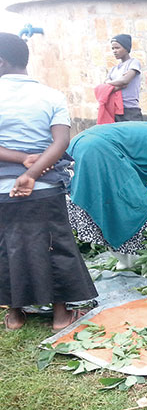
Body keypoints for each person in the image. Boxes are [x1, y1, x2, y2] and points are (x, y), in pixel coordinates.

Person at [0, 33, 97, 330]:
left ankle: (15, 316)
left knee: (7, 247)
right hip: (45, 188)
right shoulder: (51, 95)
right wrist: (31, 173)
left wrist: (20, 162)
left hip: (3, 190)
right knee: (54, 247)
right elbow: (61, 142)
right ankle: (60, 316)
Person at [66, 112, 147, 268]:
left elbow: (129, 157)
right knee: (136, 209)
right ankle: (137, 262)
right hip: (99, 153)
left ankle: (125, 261)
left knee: (102, 203)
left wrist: (140, 184)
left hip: (80, 145)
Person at [106, 34, 143, 122]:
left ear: (126, 49)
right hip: (115, 110)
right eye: (113, 48)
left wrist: (112, 83)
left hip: (130, 110)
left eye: (117, 48)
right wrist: (120, 84)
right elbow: (105, 85)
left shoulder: (133, 63)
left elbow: (125, 80)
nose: (114, 51)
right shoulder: (113, 69)